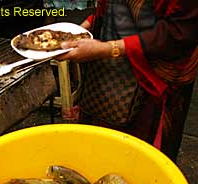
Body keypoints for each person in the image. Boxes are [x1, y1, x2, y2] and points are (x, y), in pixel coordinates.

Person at [57, 0, 198, 162]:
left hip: (155, 74)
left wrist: (109, 49)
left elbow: (178, 33)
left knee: (139, 155)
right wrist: (81, 30)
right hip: (108, 70)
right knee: (100, 146)